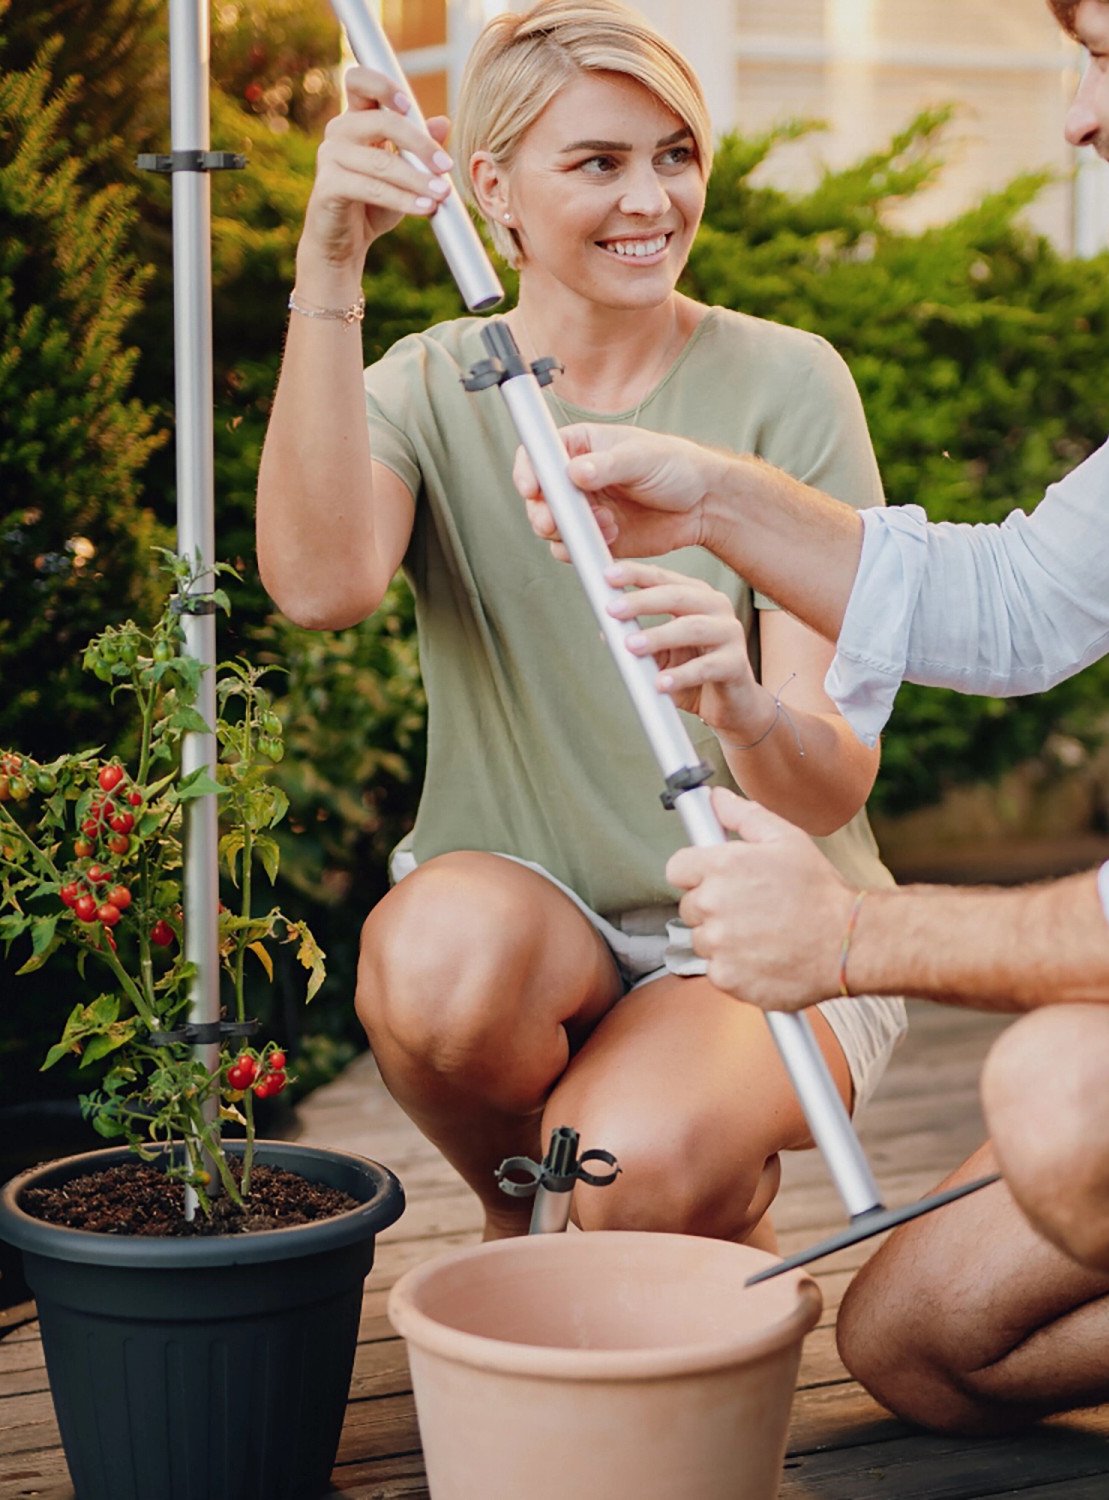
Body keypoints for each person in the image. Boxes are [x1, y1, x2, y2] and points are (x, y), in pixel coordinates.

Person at [518, 0, 1109, 1491]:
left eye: (1098, 56)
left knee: (1074, 1098)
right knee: (919, 1341)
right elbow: (1023, 601)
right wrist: (710, 496)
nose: (1078, 117)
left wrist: (848, 938)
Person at [255, 0, 906, 1249]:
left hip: (761, 929)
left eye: (675, 154)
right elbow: (320, 589)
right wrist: (330, 257)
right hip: (530, 921)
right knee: (436, 971)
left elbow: (829, 791)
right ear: (490, 185)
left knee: (624, 1171)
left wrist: (746, 706)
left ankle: (662, 1177)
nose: (652, 200)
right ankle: (531, 1215)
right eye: (598, 162)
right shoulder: (433, 385)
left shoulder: (788, 382)